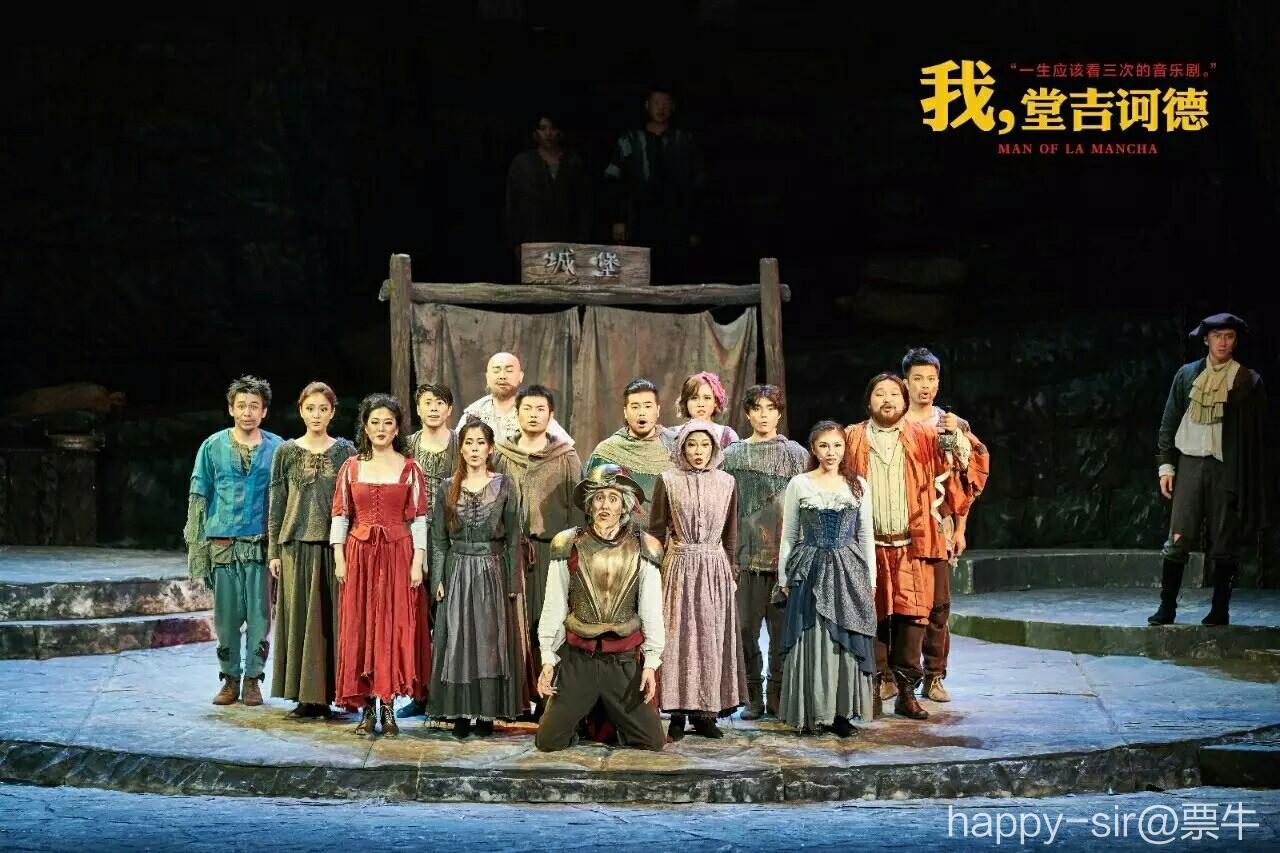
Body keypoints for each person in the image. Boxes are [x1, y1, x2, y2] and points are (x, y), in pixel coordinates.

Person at [844, 374, 988, 720]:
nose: (887, 400)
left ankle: (907, 691)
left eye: (894, 394)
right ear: (868, 401)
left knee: (913, 617)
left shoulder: (923, 435)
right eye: (880, 394)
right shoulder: (851, 437)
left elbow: (967, 463)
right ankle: (875, 686)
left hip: (912, 545)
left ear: (904, 400)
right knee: (872, 616)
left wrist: (956, 436)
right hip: (868, 547)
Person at [534, 464, 667, 752]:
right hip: (578, 660)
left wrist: (651, 663)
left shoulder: (644, 546)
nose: (605, 505)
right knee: (548, 742)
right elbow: (554, 605)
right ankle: (582, 719)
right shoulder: (568, 543)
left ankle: (611, 721)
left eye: (613, 498)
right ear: (589, 504)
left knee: (653, 741)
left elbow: (651, 610)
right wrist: (548, 658)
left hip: (622, 662)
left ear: (624, 505)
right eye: (599, 498)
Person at [1149, 313, 1269, 627]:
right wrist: (1166, 466)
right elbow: (1169, 422)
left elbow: (1258, 437)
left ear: (1235, 341)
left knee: (1224, 541)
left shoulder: (1246, 381)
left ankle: (1219, 610)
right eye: (1217, 336)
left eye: (1229, 337)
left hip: (1225, 468)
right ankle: (1166, 607)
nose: (1223, 343)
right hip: (1190, 464)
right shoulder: (1187, 375)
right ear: (1206, 340)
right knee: (1178, 537)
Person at [330, 394, 429, 738]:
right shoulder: (351, 467)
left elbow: (419, 518)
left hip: (397, 555)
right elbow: (341, 515)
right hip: (359, 556)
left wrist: (418, 561)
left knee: (391, 628)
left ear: (398, 428)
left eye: (388, 422)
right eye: (375, 422)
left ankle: (387, 705)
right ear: (365, 426)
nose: (381, 428)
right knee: (361, 628)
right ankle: (367, 708)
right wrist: (339, 558)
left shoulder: (410, 468)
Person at [184, 375, 283, 707]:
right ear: (231, 409)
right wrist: (198, 547)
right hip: (223, 544)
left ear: (264, 411)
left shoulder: (278, 448)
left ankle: (253, 679)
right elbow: (199, 496)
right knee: (226, 619)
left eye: (254, 406)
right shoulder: (212, 446)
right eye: (241, 405)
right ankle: (229, 679)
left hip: (260, 544)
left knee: (260, 617)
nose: (247, 412)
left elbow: (284, 499)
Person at [775, 421, 877, 738]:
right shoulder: (800, 484)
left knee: (843, 636)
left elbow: (866, 536)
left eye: (836, 445)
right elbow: (789, 534)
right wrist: (783, 575)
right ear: (814, 449)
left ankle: (840, 713)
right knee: (813, 636)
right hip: (810, 567)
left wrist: (870, 578)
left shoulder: (858, 485)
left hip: (848, 569)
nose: (831, 452)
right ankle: (814, 711)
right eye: (824, 446)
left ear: (844, 448)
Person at [648, 420, 745, 739]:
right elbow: (656, 530)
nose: (698, 451)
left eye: (704, 445)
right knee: (677, 639)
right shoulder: (668, 479)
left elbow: (731, 533)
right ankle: (677, 714)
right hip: (678, 566)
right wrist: (653, 571)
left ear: (714, 448)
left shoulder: (727, 482)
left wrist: (731, 570)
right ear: (682, 448)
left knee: (710, 639)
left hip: (714, 568)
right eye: (691, 445)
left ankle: (705, 714)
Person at [428, 420, 524, 737]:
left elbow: (513, 538)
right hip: (456, 570)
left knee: (488, 642)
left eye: (480, 443)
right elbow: (439, 539)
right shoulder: (447, 487)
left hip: (491, 571)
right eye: (468, 443)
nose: (474, 449)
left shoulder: (504, 485)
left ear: (490, 448)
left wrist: (512, 583)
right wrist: (438, 578)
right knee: (457, 641)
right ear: (461, 448)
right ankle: (458, 713)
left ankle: (486, 714)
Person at [267, 382, 356, 718]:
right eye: (310, 408)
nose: (316, 415)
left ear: (332, 413)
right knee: (300, 621)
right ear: (300, 411)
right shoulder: (286, 452)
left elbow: (353, 502)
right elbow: (277, 503)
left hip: (334, 548)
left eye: (323, 409)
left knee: (333, 621)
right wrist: (274, 550)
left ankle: (334, 693)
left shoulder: (345, 451)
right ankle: (305, 696)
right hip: (295, 547)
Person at [901, 347, 984, 703]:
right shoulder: (894, 423)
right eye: (917, 378)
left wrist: (960, 529)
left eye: (931, 379)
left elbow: (965, 483)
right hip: (901, 526)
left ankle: (934, 675)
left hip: (938, 525)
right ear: (905, 382)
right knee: (900, 603)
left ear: (938, 382)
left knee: (938, 604)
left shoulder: (953, 425)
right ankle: (896, 677)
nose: (925, 386)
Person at [492, 384, 582, 716]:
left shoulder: (566, 456)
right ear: (517, 414)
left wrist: (572, 555)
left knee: (549, 623)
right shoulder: (501, 455)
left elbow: (578, 510)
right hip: (510, 552)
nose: (533, 415)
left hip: (552, 552)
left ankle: (548, 699)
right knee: (511, 625)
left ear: (551, 415)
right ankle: (514, 699)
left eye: (540, 409)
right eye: (527, 409)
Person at [721, 384, 810, 719]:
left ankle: (778, 694)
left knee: (781, 632)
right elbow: (725, 507)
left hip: (783, 560)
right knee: (745, 631)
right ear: (747, 413)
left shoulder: (796, 455)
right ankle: (752, 695)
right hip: (745, 558)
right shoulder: (732, 456)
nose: (764, 415)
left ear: (779, 413)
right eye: (757, 408)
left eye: (770, 408)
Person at [397, 382, 458, 719]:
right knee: (418, 619)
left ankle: (449, 695)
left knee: (450, 616)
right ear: (418, 409)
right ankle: (419, 692)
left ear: (450, 409)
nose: (434, 408)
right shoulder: (407, 446)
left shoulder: (462, 444)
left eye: (440, 403)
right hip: (412, 539)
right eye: (427, 403)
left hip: (452, 540)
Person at [604, 86, 705, 282]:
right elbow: (613, 180)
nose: (661, 108)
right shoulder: (630, 139)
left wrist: (695, 227)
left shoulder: (684, 140)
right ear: (647, 106)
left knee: (674, 277)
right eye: (656, 102)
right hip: (639, 219)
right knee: (640, 274)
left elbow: (697, 185)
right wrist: (618, 219)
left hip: (676, 220)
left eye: (666, 103)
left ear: (673, 107)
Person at [583, 378, 677, 512]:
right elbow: (592, 502)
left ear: (657, 410)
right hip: (624, 524)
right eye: (635, 407)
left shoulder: (677, 445)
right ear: (625, 412)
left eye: (647, 406)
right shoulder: (607, 452)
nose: (641, 412)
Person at [504, 113, 592, 252]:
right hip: (532, 238)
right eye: (543, 128)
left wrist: (582, 240)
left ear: (560, 132)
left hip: (566, 238)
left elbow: (583, 204)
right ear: (535, 133)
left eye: (552, 128)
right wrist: (516, 241)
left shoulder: (573, 162)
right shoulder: (523, 163)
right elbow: (513, 205)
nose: (548, 133)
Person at [458, 352, 572, 445]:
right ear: (487, 377)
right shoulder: (474, 413)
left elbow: (565, 447)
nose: (502, 376)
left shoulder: (533, 409)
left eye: (509, 371)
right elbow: (457, 451)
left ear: (520, 376)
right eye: (496, 370)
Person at [675, 371, 740, 448]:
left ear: (715, 402)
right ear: (686, 402)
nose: (701, 404)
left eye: (707, 398)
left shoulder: (728, 436)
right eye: (694, 398)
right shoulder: (672, 434)